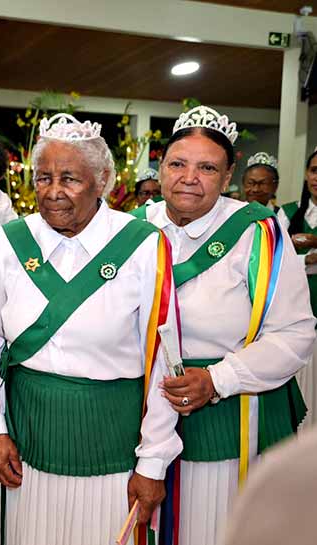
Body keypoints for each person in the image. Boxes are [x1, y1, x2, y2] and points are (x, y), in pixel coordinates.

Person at [0, 113, 182, 545]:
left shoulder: (143, 244)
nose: (53, 192)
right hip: (25, 443)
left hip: (111, 447)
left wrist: (152, 464)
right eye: (43, 177)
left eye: (69, 178)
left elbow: (165, 361)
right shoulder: (11, 241)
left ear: (103, 179)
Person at [132, 106, 315, 545]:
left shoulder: (259, 231)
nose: (189, 177)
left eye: (207, 167)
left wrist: (217, 380)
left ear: (229, 174)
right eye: (178, 164)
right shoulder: (133, 229)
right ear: (161, 168)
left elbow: (295, 333)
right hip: (141, 420)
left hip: (232, 420)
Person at [277, 149, 317, 427]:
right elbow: (276, 261)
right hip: (297, 316)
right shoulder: (288, 212)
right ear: (306, 174)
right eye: (314, 170)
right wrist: (310, 258)